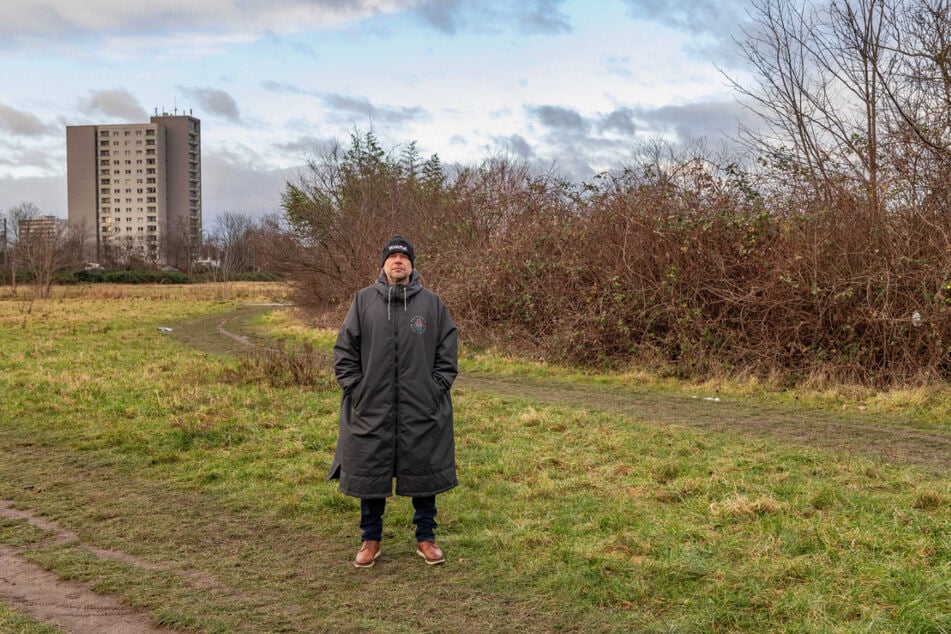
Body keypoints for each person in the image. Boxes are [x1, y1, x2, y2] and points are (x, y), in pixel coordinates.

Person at [328, 235, 458, 567]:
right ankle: (370, 539)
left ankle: (426, 537)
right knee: (370, 470)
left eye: (403, 256)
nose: (397, 261)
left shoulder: (432, 304)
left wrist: (435, 388)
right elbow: (345, 352)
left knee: (424, 469)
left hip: (421, 405)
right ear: (383, 264)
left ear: (412, 264)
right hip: (373, 406)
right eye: (392, 257)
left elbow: (447, 352)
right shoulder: (363, 302)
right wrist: (357, 390)